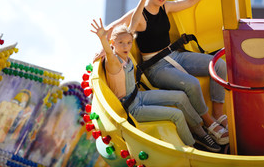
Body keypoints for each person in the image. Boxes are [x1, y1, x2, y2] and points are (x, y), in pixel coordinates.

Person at [100, 0, 229, 145]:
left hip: (176, 56)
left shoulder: (165, 7)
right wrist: (105, 47)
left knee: (218, 65)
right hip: (156, 68)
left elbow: (189, 2)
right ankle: (209, 123)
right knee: (192, 84)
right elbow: (114, 28)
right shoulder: (139, 14)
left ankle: (218, 114)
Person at [90, 18, 221, 152]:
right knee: (177, 114)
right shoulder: (113, 61)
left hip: (139, 96)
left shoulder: (126, 56)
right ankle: (193, 147)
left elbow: (134, 22)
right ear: (113, 43)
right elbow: (109, 54)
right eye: (121, 43)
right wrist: (103, 40)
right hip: (132, 108)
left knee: (180, 97)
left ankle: (201, 132)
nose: (125, 46)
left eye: (129, 43)